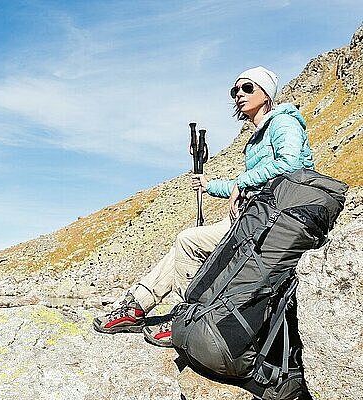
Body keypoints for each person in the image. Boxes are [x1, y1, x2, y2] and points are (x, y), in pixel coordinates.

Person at [93, 66, 314, 347]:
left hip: (274, 223)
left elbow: (291, 164)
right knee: (182, 243)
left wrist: (241, 182)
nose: (239, 95)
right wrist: (209, 185)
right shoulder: (257, 137)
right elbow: (245, 184)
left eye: (248, 88)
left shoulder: (283, 123)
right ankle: (136, 306)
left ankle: (186, 321)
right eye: (235, 90)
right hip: (254, 216)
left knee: (188, 240)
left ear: (267, 93)